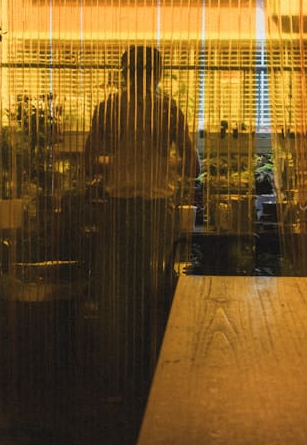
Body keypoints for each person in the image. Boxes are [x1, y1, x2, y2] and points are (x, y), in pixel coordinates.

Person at [82, 45, 200, 397]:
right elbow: (192, 167)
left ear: (124, 73)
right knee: (155, 289)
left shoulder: (108, 108)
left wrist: (119, 162)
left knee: (118, 294)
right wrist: (163, 163)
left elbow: (88, 162)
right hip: (156, 210)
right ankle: (155, 374)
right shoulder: (168, 109)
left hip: (118, 210)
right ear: (159, 74)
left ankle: (118, 378)